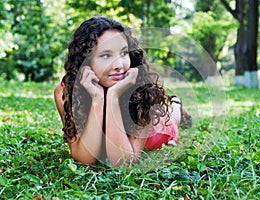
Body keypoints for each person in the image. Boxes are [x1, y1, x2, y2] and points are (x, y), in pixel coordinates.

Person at [54, 16, 191, 167]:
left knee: (171, 120)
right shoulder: (65, 94)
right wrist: (98, 99)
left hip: (157, 132)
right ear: (85, 60)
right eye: (106, 55)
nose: (119, 65)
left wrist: (113, 96)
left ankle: (176, 105)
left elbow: (123, 162)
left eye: (124, 53)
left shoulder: (142, 90)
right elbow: (85, 159)